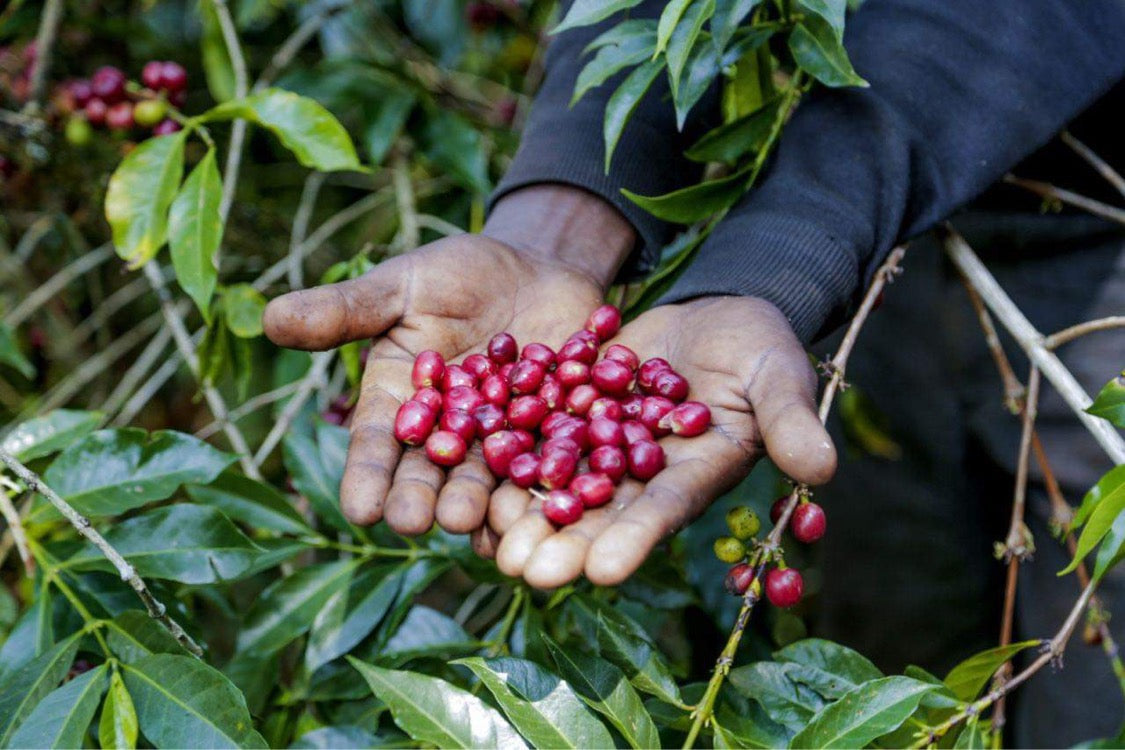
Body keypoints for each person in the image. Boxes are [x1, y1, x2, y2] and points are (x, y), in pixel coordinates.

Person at [263, 0, 1125, 744]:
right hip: (892, 251)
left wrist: (779, 256)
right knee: (902, 644)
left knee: (1093, 681)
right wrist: (560, 215)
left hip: (1095, 238)